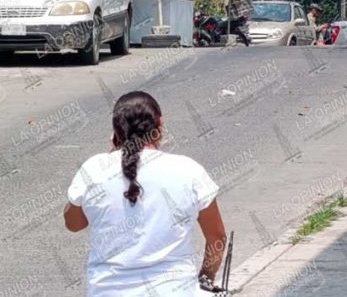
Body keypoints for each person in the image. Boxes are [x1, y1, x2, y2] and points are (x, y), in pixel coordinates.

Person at [64, 92, 227, 296]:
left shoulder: (94, 169)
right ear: (159, 127)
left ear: (115, 131)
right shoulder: (189, 170)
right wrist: (205, 279)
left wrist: (112, 157)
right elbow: (217, 237)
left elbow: (74, 224)